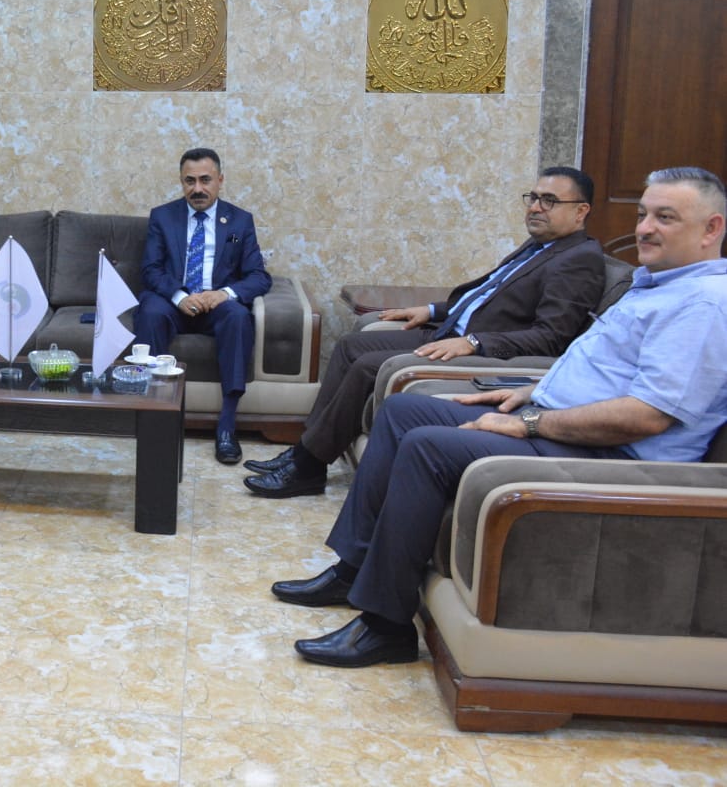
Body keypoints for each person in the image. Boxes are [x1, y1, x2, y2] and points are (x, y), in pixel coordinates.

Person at [272, 166, 727, 668]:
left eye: (665, 218)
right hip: (566, 420)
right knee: (403, 411)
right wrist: (535, 391)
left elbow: (647, 417)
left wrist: (530, 422)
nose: (644, 229)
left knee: (428, 447)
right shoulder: (657, 285)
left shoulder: (703, 306)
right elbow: (607, 371)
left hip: (611, 455)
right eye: (643, 215)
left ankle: (385, 626)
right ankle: (353, 571)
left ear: (711, 228)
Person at [245, 166, 606, 498]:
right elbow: (487, 297)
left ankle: (308, 467)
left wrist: (474, 342)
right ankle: (305, 449)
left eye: (550, 201)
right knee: (351, 345)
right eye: (533, 198)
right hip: (447, 330)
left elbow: (551, 337)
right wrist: (432, 310)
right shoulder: (540, 246)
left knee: (368, 366)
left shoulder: (579, 260)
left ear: (581, 211)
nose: (536, 208)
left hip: (477, 350)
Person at [134, 148, 271, 465]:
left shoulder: (239, 221)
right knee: (150, 311)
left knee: (238, 317)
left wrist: (224, 293)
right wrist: (180, 296)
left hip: (216, 306)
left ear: (220, 180)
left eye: (205, 180)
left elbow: (258, 277)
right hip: (173, 302)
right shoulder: (163, 217)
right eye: (190, 181)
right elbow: (151, 270)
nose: (197, 188)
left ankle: (226, 427)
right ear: (181, 182)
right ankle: (154, 420)